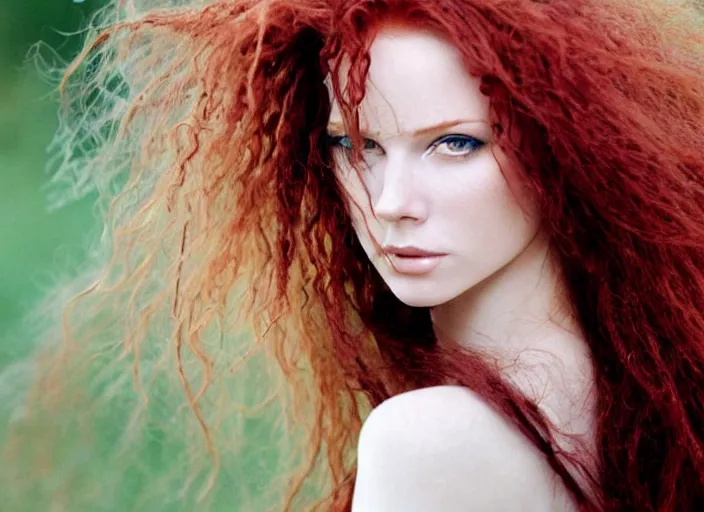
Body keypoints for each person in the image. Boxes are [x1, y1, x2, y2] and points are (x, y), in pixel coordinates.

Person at [2, 0, 703, 510]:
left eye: (456, 143)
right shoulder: (637, 388)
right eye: (355, 146)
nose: (390, 199)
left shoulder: (428, 438)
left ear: (568, 146)